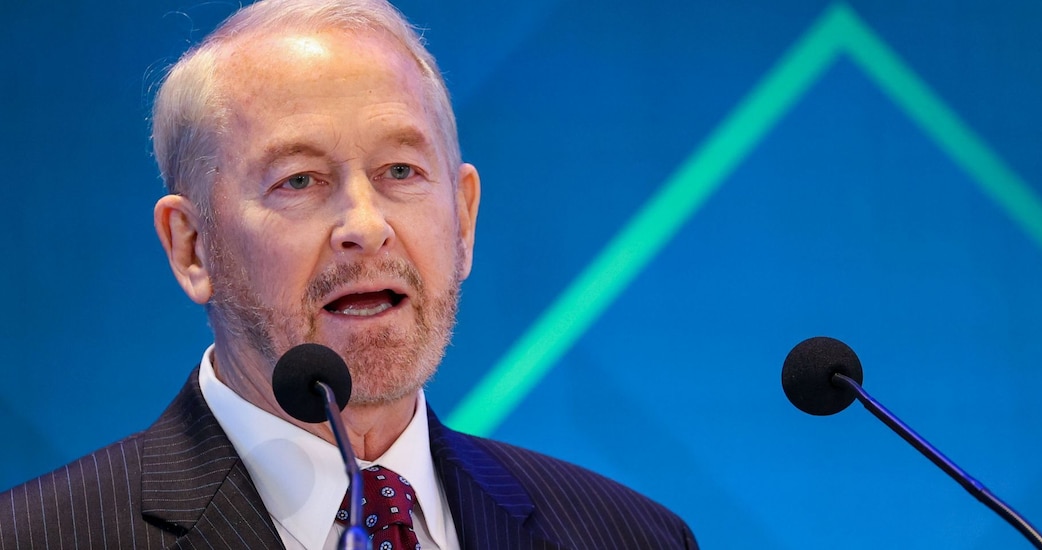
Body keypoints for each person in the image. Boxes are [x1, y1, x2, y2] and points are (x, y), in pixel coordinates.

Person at [0, 0, 698, 548]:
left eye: (401, 171)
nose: (365, 226)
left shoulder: (630, 536)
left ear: (463, 219)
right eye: (299, 180)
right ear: (191, 247)